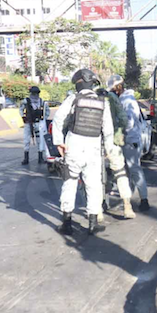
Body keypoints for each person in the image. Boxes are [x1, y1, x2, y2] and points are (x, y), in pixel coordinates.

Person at [52, 69, 114, 236]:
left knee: (70, 182)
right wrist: (108, 149)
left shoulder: (73, 99)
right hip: (94, 147)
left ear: (78, 83)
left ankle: (67, 224)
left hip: (74, 145)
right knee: (93, 184)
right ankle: (93, 224)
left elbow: (58, 119)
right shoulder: (103, 102)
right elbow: (108, 130)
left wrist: (58, 142)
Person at [101, 75, 136, 219]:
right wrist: (119, 134)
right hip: (112, 142)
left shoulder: (88, 98)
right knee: (120, 173)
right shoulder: (112, 98)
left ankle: (98, 209)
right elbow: (123, 119)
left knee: (95, 176)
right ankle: (127, 206)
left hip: (94, 142)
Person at [120, 85, 151, 211]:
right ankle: (128, 200)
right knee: (130, 172)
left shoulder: (126, 101)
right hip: (132, 140)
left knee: (134, 171)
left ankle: (144, 200)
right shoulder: (130, 99)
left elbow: (129, 122)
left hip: (130, 140)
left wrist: (120, 132)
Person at [20, 86, 49, 166]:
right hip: (28, 123)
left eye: (36, 93)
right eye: (34, 93)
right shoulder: (26, 101)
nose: (35, 95)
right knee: (26, 140)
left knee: (40, 141)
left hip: (38, 123)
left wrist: (43, 119)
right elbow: (21, 109)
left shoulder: (41, 101)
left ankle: (40, 158)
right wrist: (23, 117)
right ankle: (26, 158)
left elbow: (47, 111)